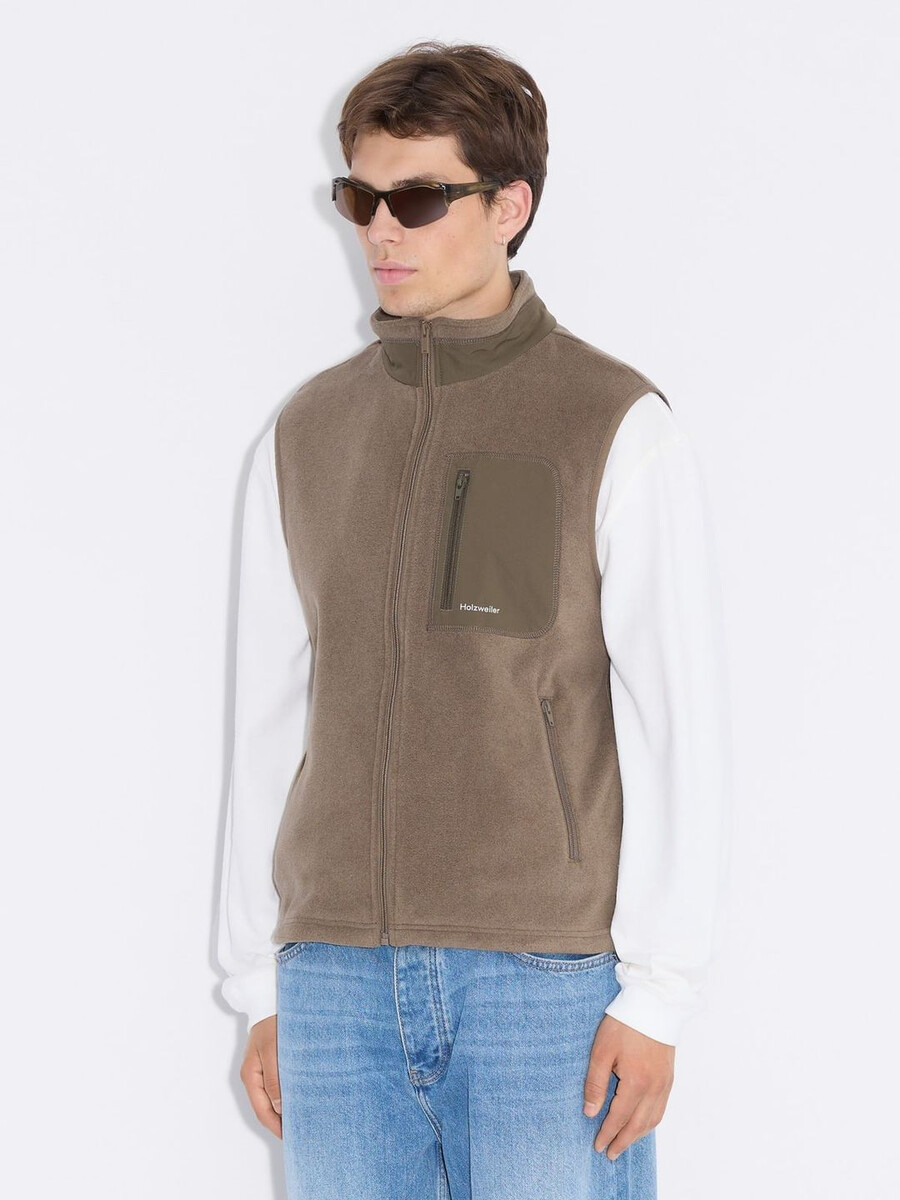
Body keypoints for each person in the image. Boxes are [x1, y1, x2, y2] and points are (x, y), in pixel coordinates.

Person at [216, 40, 732, 1200]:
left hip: (542, 983)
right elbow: (265, 716)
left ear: (510, 206)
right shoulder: (306, 433)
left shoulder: (612, 421)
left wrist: (659, 995)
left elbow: (677, 721)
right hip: (334, 982)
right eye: (359, 198)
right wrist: (260, 985)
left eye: (417, 199)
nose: (380, 231)